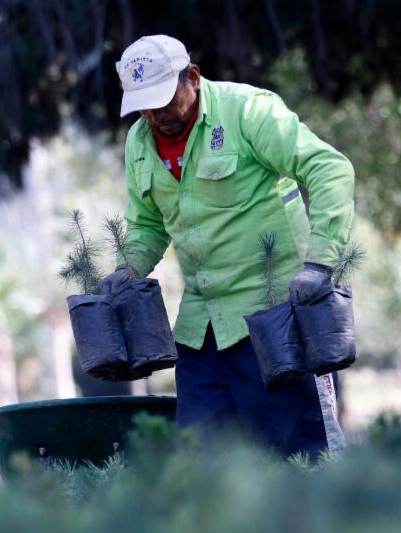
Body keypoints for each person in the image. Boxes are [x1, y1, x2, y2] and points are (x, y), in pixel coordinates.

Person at [101, 34, 354, 457]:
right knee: (205, 469)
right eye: (143, 104)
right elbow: (147, 225)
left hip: (277, 325)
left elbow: (330, 169)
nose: (154, 114)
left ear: (193, 78)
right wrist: (123, 272)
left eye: (163, 99)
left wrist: (319, 264)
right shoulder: (139, 143)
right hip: (202, 332)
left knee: (301, 461)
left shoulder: (247, 111)